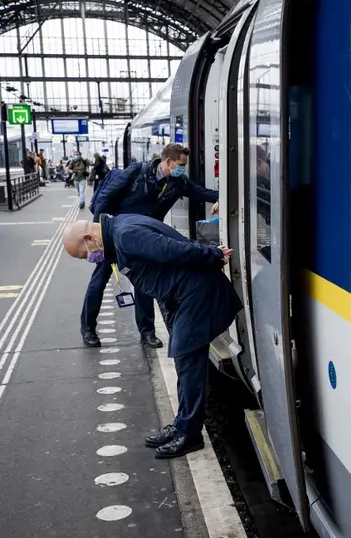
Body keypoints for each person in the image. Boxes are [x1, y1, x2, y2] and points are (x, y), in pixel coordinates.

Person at [62, 215, 242, 458]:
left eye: (85, 255)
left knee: (188, 362)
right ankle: (182, 425)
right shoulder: (120, 229)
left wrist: (214, 254)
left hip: (197, 294)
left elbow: (173, 249)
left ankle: (190, 434)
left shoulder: (125, 235)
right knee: (184, 362)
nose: (90, 259)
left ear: (89, 238)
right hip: (185, 296)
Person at [82, 143, 219, 349]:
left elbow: (202, 193)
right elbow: (105, 197)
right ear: (168, 161)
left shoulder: (178, 182)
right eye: (181, 164)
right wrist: (99, 232)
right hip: (115, 235)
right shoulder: (138, 172)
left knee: (145, 285)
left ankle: (147, 332)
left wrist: (224, 197)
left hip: (143, 239)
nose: (183, 169)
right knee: (99, 281)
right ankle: (88, 328)